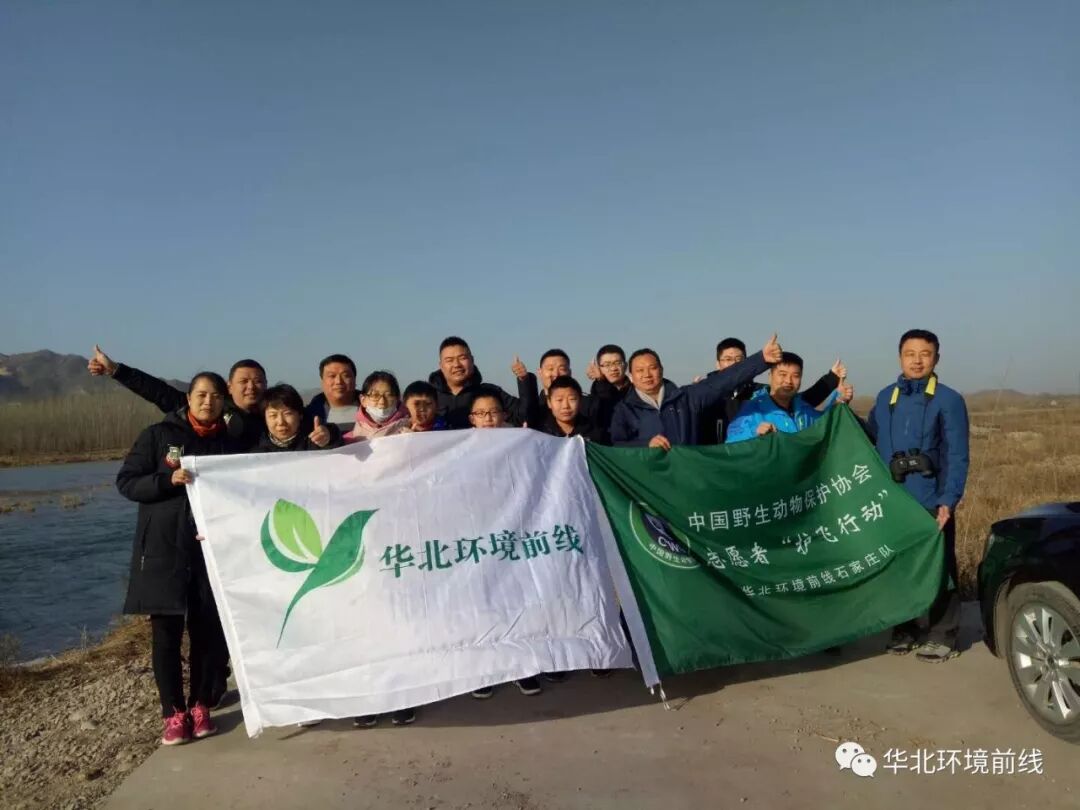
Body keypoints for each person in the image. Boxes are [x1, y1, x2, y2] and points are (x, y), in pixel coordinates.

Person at [116, 372, 238, 746]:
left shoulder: (229, 443)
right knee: (166, 635)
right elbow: (127, 482)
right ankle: (173, 712)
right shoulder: (157, 436)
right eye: (201, 394)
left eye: (216, 396)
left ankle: (200, 706)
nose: (208, 401)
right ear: (188, 398)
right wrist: (165, 481)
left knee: (206, 631)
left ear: (223, 401)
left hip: (209, 550)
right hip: (164, 550)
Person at [866, 329, 969, 663]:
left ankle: (943, 634)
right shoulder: (886, 398)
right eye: (910, 354)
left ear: (936, 358)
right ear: (900, 357)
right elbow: (869, 437)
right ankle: (905, 628)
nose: (917, 360)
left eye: (925, 354)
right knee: (900, 566)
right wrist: (841, 412)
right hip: (894, 501)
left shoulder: (948, 400)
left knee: (939, 567)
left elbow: (957, 455)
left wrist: (948, 499)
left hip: (930, 499)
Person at [465, 388, 544, 699]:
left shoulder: (519, 442)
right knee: (480, 604)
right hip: (476, 536)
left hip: (514, 534)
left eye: (494, 412)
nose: (488, 418)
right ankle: (484, 669)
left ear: (504, 415)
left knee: (515, 600)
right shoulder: (458, 448)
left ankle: (521, 667)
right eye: (481, 413)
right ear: (472, 419)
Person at [609, 334, 783, 448]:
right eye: (639, 370)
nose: (647, 375)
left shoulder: (687, 398)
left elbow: (724, 380)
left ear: (661, 370)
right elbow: (617, 447)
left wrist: (762, 359)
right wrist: (646, 444)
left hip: (689, 478)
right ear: (631, 376)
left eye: (652, 368)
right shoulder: (624, 410)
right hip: (652, 483)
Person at [88, 345, 267, 450]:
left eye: (258, 381)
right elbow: (159, 391)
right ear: (229, 386)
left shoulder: (275, 414)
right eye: (244, 381)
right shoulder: (211, 410)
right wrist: (116, 371)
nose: (251, 387)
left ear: (266, 384)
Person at [697, 338, 843, 444]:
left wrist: (832, 380)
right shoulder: (703, 396)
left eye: (739, 359)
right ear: (718, 364)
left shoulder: (760, 393)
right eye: (728, 359)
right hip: (715, 463)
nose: (734, 364)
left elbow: (800, 398)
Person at [726, 353, 853, 443]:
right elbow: (731, 444)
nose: (788, 381)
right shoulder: (753, 410)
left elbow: (824, 426)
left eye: (795, 376)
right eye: (782, 374)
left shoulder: (804, 409)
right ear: (770, 376)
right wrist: (755, 434)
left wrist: (838, 401)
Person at [429, 337, 536, 428]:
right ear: (441, 365)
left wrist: (524, 380)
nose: (456, 364)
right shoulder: (428, 396)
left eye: (462, 358)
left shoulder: (490, 392)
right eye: (449, 360)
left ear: (472, 360)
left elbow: (524, 417)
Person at [528, 349, 617, 431]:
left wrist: (601, 381)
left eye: (562, 369)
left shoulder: (586, 404)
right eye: (550, 369)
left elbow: (607, 413)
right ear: (540, 372)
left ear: (569, 372)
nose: (556, 374)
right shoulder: (534, 407)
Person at [257, 384, 342, 452]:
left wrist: (329, 436)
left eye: (287, 414)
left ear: (300, 414)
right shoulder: (258, 451)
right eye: (273, 415)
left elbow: (336, 442)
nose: (281, 422)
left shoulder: (314, 441)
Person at [535, 376, 608, 443]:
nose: (565, 406)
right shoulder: (539, 433)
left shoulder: (594, 433)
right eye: (559, 400)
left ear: (580, 401)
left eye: (572, 399)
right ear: (549, 403)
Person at [344, 371, 410, 442]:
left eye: (388, 395)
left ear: (397, 399)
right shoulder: (347, 441)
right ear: (363, 400)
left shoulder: (412, 430)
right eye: (375, 395)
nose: (382, 402)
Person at [304, 354, 362, 435]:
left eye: (345, 376)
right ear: (322, 382)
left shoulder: (374, 409)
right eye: (332, 376)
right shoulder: (307, 416)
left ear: (355, 380)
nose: (338, 381)